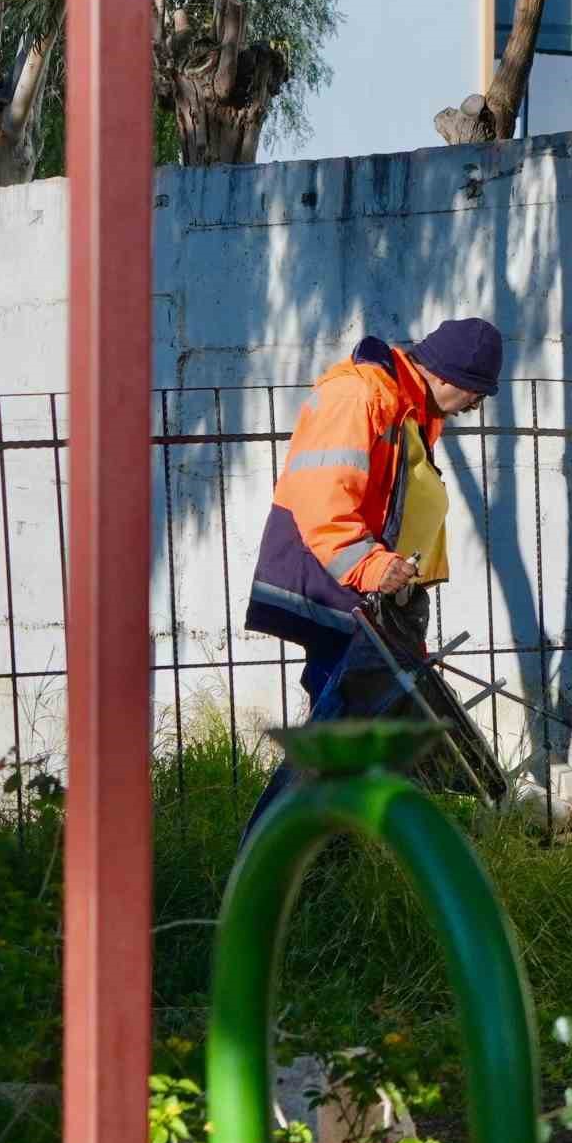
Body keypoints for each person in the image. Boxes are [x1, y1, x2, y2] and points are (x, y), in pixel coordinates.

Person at [239, 318, 503, 838]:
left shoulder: (410, 408)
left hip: (378, 599)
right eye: (477, 394)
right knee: (337, 741)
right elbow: (323, 502)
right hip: (343, 591)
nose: (476, 407)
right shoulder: (359, 397)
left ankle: (324, 863)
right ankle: (265, 867)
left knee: (355, 747)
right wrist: (374, 567)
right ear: (453, 377)